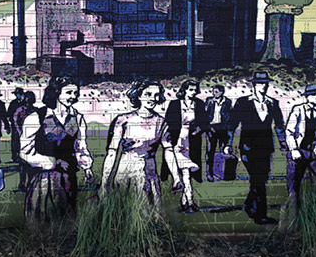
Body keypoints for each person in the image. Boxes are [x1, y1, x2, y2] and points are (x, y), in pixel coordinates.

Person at [19, 76, 94, 224]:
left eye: (75, 93)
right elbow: (25, 150)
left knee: (66, 220)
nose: (73, 97)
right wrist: (50, 163)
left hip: (67, 177)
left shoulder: (77, 118)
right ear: (56, 92)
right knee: (43, 220)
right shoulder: (36, 117)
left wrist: (86, 167)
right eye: (68, 92)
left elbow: (81, 146)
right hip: (44, 178)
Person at [101, 79, 170, 212]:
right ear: (138, 95)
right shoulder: (123, 120)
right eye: (148, 94)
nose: (153, 99)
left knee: (149, 213)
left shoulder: (161, 122)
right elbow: (112, 152)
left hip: (149, 172)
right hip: (126, 170)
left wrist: (177, 177)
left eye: (156, 95)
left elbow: (169, 150)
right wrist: (105, 183)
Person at [231, 71, 286, 225]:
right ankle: (260, 214)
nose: (263, 87)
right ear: (254, 85)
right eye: (260, 84)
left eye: (265, 84)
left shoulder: (272, 103)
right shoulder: (243, 102)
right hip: (248, 147)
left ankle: (249, 205)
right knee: (258, 179)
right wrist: (227, 144)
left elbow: (280, 125)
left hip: (266, 147)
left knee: (261, 178)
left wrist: (283, 143)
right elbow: (232, 123)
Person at [164, 79, 209, 213]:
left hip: (192, 140)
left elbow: (205, 121)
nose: (193, 92)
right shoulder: (174, 104)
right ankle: (189, 200)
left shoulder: (199, 104)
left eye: (195, 90)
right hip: (177, 139)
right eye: (190, 90)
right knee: (183, 170)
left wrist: (198, 130)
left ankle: (186, 201)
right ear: (184, 90)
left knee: (187, 171)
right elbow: (168, 121)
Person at [285, 83, 316, 200]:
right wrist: (294, 149)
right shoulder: (298, 110)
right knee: (293, 186)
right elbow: (289, 131)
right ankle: (293, 214)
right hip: (299, 152)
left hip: (315, 153)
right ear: (307, 97)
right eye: (313, 94)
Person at [204, 84, 234, 182]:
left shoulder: (227, 102)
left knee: (222, 151)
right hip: (211, 128)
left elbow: (229, 116)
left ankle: (221, 172)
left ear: (222, 92)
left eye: (216, 91)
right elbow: (205, 114)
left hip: (222, 128)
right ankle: (209, 173)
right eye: (213, 91)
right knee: (210, 151)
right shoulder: (209, 101)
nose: (214, 93)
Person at [12, 91, 37, 192]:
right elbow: (15, 122)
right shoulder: (20, 110)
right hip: (22, 138)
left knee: (30, 163)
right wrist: (21, 133)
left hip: (32, 139)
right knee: (23, 163)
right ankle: (22, 184)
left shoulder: (35, 110)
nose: (29, 101)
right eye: (28, 99)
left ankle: (29, 183)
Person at [7, 88, 26, 164]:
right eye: (16, 94)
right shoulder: (13, 103)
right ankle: (15, 157)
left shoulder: (25, 102)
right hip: (14, 126)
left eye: (19, 94)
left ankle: (22, 156)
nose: (17, 95)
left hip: (23, 124)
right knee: (15, 141)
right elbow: (9, 114)